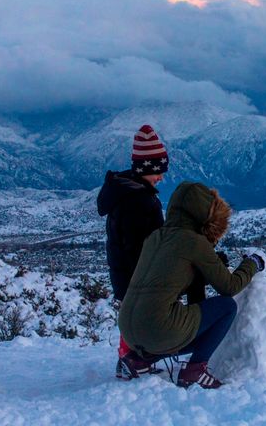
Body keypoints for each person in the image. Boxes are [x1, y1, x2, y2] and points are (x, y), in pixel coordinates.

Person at [118, 182, 265, 389]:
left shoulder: (156, 237)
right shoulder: (193, 241)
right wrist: (253, 263)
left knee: (187, 324)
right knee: (226, 307)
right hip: (158, 329)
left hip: (128, 330)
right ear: (206, 214)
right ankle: (195, 370)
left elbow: (178, 287)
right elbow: (229, 287)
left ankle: (139, 361)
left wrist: (203, 270)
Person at [97, 124, 168, 379]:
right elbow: (140, 244)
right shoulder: (137, 200)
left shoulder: (129, 193)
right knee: (135, 317)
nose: (161, 177)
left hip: (124, 271)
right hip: (134, 272)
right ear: (146, 169)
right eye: (158, 171)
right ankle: (129, 360)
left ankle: (132, 359)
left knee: (132, 315)